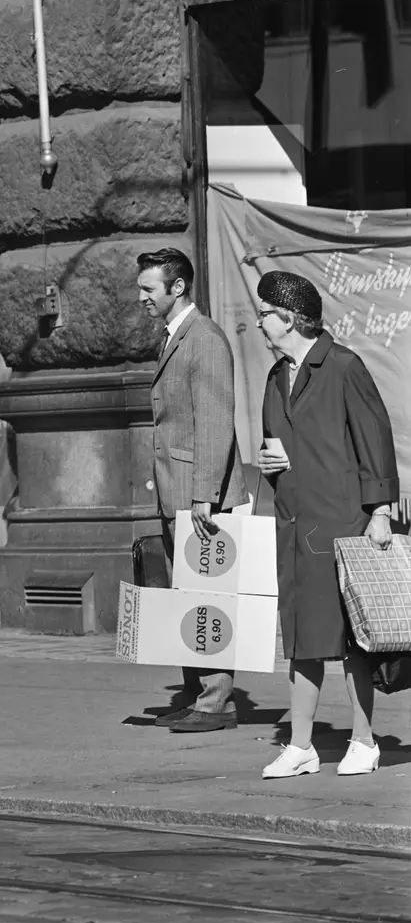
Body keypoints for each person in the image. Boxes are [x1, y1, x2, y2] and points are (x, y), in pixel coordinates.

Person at [254, 271, 399, 779]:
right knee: (301, 638)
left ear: (290, 318)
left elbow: (374, 440)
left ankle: (364, 740)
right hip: (296, 523)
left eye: (265, 314)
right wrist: (268, 464)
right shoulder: (276, 377)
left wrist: (380, 512)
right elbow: (275, 442)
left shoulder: (342, 366)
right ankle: (300, 746)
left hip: (344, 523)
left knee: (353, 639)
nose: (260, 323)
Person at [137, 247, 248, 733]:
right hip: (174, 488)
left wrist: (205, 494)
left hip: (199, 496)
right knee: (185, 597)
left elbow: (215, 423)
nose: (140, 297)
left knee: (207, 598)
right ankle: (196, 693)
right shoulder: (174, 338)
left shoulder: (204, 339)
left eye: (148, 288)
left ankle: (218, 701)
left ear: (177, 287)